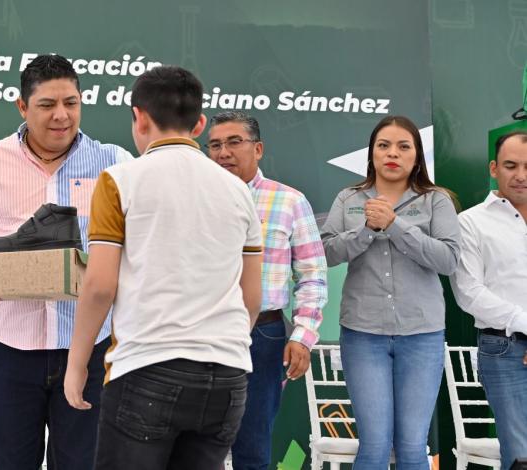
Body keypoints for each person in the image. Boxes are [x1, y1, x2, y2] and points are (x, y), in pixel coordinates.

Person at [64, 65, 263, 470]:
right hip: (228, 376)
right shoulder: (239, 190)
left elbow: (100, 286)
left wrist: (76, 363)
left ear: (138, 116)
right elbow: (251, 297)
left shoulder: (120, 180)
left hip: (148, 368)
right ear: (200, 123)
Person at [0, 54, 133, 469]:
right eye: (47, 105)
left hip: (91, 345)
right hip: (12, 346)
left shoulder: (115, 163)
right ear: (22, 107)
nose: (61, 116)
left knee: (84, 462)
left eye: (72, 103)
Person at [321, 115, 460, 469]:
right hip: (363, 334)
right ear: (372, 154)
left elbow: (448, 260)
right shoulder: (349, 198)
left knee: (413, 447)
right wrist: (367, 230)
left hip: (422, 334)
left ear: (417, 156)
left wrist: (395, 225)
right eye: (383, 146)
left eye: (403, 146)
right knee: (374, 445)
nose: (392, 154)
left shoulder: (436, 201)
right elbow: (325, 253)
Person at [206, 111, 327, 470]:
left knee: (253, 445)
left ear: (257, 149)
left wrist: (303, 336)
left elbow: (312, 274)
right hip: (200, 331)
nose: (223, 152)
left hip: (264, 335)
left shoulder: (289, 201)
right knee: (195, 445)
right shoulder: (196, 200)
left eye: (233, 142)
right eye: (214, 145)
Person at [450, 129, 527, 470]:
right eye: (511, 165)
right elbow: (469, 292)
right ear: (494, 168)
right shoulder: (470, 222)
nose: (521, 175)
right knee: (521, 455)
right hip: (505, 350)